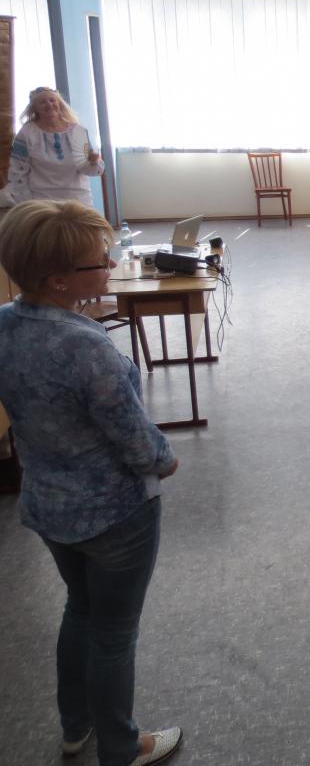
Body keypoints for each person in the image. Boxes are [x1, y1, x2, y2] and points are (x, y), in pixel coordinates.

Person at [0, 200, 183, 766]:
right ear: (58, 279)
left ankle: (75, 726)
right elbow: (134, 440)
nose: (109, 266)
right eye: (98, 261)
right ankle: (122, 747)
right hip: (114, 514)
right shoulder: (84, 345)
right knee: (114, 634)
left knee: (79, 610)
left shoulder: (5, 321)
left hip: (49, 504)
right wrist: (165, 459)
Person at [4, 87, 104, 208]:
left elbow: (88, 170)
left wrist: (94, 162)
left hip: (79, 200)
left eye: (52, 100)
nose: (49, 104)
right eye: (42, 102)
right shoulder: (26, 133)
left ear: (60, 104)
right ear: (35, 108)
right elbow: (17, 171)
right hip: (43, 202)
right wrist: (27, 203)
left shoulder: (78, 131)